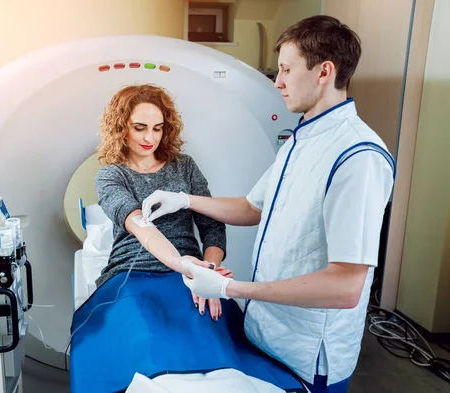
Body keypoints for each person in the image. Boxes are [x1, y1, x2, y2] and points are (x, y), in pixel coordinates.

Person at [141, 15, 395, 393]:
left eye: (287, 70)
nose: (277, 82)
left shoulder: (358, 157)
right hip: (266, 331)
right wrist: (184, 200)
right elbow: (253, 208)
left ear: (324, 71)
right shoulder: (299, 141)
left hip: (308, 352)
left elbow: (346, 287)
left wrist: (231, 290)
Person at [94, 83, 231, 320]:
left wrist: (208, 276)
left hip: (191, 274)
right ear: (121, 128)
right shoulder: (111, 176)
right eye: (140, 128)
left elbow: (212, 226)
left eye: (157, 128)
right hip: (131, 273)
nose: (150, 138)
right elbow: (139, 223)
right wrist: (179, 263)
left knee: (207, 335)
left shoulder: (185, 166)